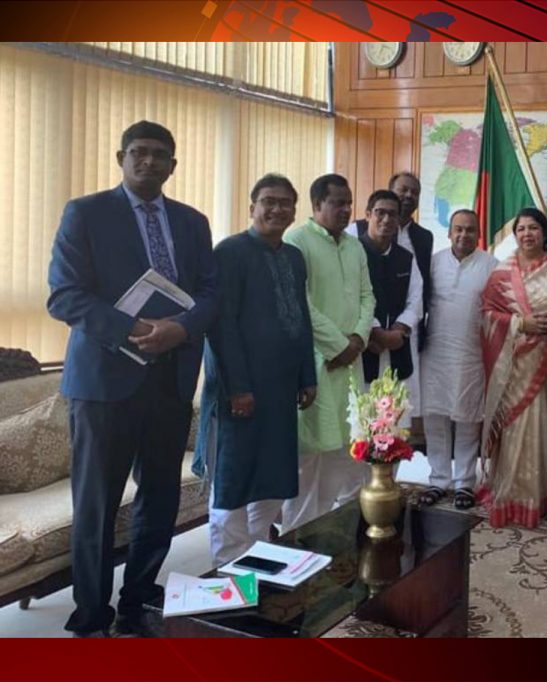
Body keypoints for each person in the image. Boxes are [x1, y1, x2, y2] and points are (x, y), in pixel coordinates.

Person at [47, 120, 218, 637]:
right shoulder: (85, 213)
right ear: (120, 157)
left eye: (159, 154)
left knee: (160, 500)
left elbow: (211, 293)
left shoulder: (192, 222)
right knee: (97, 505)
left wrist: (180, 328)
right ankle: (92, 615)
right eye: (138, 152)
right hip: (103, 385)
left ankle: (139, 600)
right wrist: (137, 330)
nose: (148, 161)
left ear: (173, 165)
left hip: (170, 381)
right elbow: (64, 295)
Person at [195, 174, 317, 566]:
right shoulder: (230, 252)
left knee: (274, 476)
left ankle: (259, 552)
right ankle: (229, 565)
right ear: (252, 208)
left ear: (294, 212)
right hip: (240, 391)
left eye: (285, 203)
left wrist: (307, 375)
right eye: (269, 201)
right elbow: (222, 325)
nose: (277, 209)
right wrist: (238, 388)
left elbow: (300, 318)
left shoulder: (293, 257)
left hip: (281, 390)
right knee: (233, 480)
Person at [282, 174, 376, 528]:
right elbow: (300, 304)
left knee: (344, 450)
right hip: (316, 365)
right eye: (338, 203)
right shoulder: (297, 241)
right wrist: (338, 345)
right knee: (309, 458)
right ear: (317, 204)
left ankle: (326, 533)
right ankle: (297, 537)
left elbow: (368, 296)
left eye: (349, 203)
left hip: (350, 364)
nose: (346, 209)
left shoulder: (354, 246)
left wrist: (358, 339)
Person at [479, 208, 547, 529]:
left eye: (534, 228)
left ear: (545, 233)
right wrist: (521, 323)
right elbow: (487, 314)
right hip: (512, 364)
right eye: (521, 229)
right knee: (512, 427)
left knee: (536, 426)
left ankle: (534, 497)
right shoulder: (502, 273)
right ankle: (506, 495)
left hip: (544, 361)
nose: (527, 234)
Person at [418, 209, 497, 510]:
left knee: (467, 418)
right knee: (435, 417)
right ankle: (438, 480)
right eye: (458, 229)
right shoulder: (433, 263)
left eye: (470, 230)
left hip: (470, 354)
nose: (464, 235)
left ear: (479, 234)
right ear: (449, 232)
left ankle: (464, 482)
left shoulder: (491, 266)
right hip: (434, 353)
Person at [349, 172, 433, 417]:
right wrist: (376, 331)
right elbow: (351, 296)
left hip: (398, 344)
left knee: (395, 419)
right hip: (365, 344)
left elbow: (417, 297)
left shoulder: (406, 257)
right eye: (380, 213)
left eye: (392, 215)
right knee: (362, 419)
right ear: (368, 215)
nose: (386, 220)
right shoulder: (353, 250)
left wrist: (399, 329)